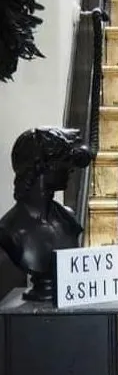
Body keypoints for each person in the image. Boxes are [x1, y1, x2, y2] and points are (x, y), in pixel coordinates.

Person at [0, 127, 91, 302]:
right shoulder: (10, 230)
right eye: (64, 162)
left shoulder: (68, 218)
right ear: (41, 168)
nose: (71, 170)